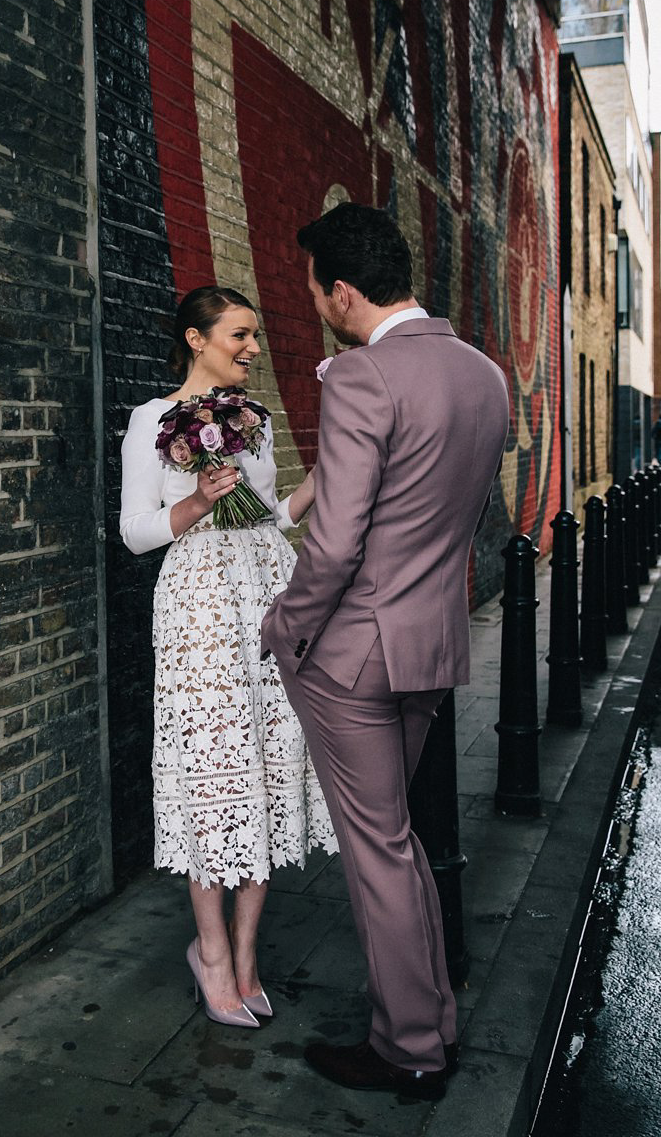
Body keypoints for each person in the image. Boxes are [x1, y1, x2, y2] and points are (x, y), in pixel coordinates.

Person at [261, 203, 509, 1101]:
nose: (315, 304)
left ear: (346, 291)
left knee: (380, 853)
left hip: (355, 655)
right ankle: (432, 1018)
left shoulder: (365, 378)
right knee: (397, 842)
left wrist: (284, 627)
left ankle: (408, 1045)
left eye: (316, 290)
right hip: (431, 646)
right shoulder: (485, 374)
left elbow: (332, 544)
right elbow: (457, 517)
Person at [120, 286, 337, 1028]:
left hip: (267, 598)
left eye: (255, 335)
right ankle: (210, 956)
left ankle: (247, 960)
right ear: (197, 338)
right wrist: (199, 501)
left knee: (269, 770)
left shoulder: (257, 419)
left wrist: (328, 476)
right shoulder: (151, 420)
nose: (253, 348)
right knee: (215, 777)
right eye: (240, 335)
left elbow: (272, 516)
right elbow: (136, 532)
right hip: (200, 612)